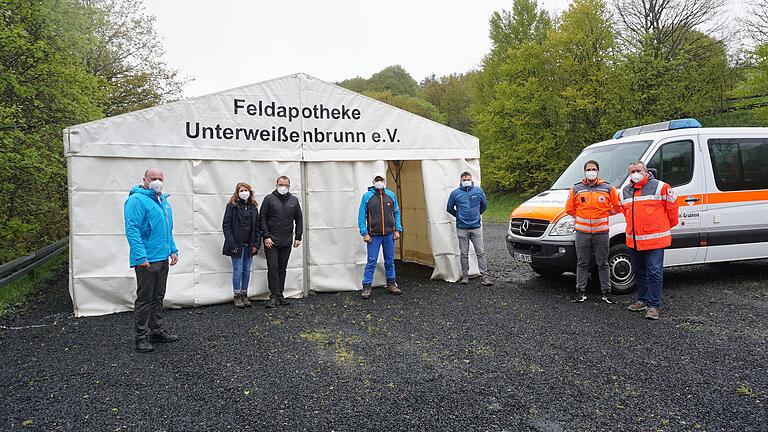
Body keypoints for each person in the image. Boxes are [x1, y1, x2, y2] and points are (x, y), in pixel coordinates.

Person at [123, 168, 179, 353]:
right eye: (153, 178)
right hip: (147, 259)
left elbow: (166, 229)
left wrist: (172, 249)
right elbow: (132, 230)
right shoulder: (136, 200)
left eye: (160, 178)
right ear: (144, 180)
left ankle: (156, 330)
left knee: (158, 297)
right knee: (145, 299)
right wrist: (140, 256)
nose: (157, 181)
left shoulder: (162, 201)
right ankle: (141, 337)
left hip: (162, 258)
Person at [621, 161, 679, 320]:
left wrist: (664, 227)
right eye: (632, 171)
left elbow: (673, 210)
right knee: (639, 272)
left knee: (654, 272)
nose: (635, 174)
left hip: (655, 241)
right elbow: (625, 213)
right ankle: (642, 300)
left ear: (646, 172)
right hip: (634, 241)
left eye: (638, 170)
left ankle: (653, 306)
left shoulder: (661, 187)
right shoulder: (625, 191)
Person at [565, 160, 623, 303]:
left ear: (598, 171)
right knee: (582, 262)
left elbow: (618, 206)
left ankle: (606, 292)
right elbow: (569, 209)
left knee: (602, 263)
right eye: (588, 169)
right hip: (582, 233)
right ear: (584, 171)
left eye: (594, 169)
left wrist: (605, 212)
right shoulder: (576, 188)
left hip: (601, 232)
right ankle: (580, 291)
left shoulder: (608, 188)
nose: (591, 171)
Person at [358, 173, 403, 299]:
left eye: (381, 180)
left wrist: (397, 230)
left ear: (385, 181)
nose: (379, 182)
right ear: (373, 182)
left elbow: (397, 213)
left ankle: (391, 284)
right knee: (371, 261)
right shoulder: (367, 196)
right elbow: (361, 216)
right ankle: (366, 286)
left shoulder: (391, 195)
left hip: (389, 234)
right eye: (377, 180)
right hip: (374, 235)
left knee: (390, 260)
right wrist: (364, 232)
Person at [260, 176, 303, 308]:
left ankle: (280, 295)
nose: (283, 187)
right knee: (273, 267)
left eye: (286, 185)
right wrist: (266, 236)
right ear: (276, 184)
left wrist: (298, 237)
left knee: (282, 268)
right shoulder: (269, 199)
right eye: (281, 184)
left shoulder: (294, 200)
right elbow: (262, 218)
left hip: (286, 241)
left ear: (289, 186)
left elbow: (299, 219)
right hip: (271, 241)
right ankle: (273, 296)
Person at [446, 171, 493, 286]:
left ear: (471, 180)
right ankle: (465, 276)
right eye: (464, 179)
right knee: (464, 253)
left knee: (480, 252)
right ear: (460, 181)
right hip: (462, 228)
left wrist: (477, 215)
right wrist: (459, 216)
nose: (466, 181)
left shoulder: (478, 191)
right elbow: (449, 208)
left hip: (475, 227)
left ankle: (485, 276)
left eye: (468, 179)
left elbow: (484, 205)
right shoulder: (455, 193)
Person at [222, 182, 261, 309]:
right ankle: (237, 295)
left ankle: (245, 293)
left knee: (246, 270)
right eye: (241, 190)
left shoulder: (253, 207)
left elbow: (257, 228)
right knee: (237, 270)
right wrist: (232, 243)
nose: (244, 192)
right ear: (237, 193)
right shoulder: (232, 206)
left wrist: (256, 243)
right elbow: (226, 226)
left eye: (246, 190)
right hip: (236, 244)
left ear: (250, 192)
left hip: (249, 244)